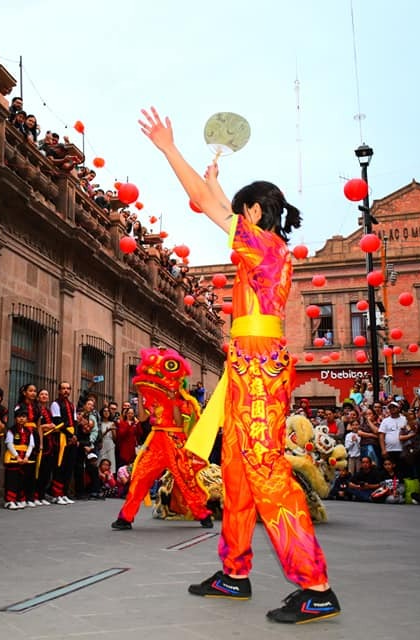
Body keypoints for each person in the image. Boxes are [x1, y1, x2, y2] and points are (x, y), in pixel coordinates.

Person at [140, 107, 339, 624]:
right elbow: (214, 201)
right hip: (250, 365)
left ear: (252, 214)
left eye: (239, 211)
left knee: (267, 472)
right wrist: (218, 185)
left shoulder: (263, 245)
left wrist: (167, 148)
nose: (233, 219)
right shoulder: (269, 248)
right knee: (237, 473)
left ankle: (315, 586)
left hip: (256, 367)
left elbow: (205, 204)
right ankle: (235, 572)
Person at [110, 348, 212, 531]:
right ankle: (126, 517)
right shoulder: (152, 400)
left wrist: (173, 401)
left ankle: (203, 514)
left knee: (185, 480)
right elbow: (141, 418)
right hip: (156, 441)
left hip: (174, 441)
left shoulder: (184, 402)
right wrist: (140, 395)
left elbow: (180, 423)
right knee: (140, 476)